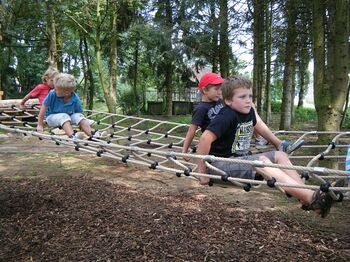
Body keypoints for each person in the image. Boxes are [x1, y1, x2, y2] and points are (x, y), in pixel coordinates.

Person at [196, 75, 340, 218]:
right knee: (262, 162)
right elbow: (204, 139)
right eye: (242, 97)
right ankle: (312, 198)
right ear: (228, 100)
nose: (248, 101)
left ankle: (307, 197)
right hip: (219, 165)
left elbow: (261, 128)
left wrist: (278, 144)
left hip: (240, 161)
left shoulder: (249, 111)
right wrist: (202, 172)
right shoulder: (226, 116)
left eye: (250, 96)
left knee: (280, 155)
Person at [36, 73, 103, 139]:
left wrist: (81, 123)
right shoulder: (52, 94)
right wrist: (40, 124)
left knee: (78, 116)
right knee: (64, 116)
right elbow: (43, 109)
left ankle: (92, 133)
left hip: (68, 118)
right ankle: (72, 136)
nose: (54, 90)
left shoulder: (75, 98)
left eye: (56, 89)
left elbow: (79, 113)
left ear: (66, 93)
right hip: (51, 118)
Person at [182, 72, 224, 158]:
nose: (220, 92)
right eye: (216, 89)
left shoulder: (221, 102)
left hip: (226, 143)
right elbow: (192, 130)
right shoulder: (201, 109)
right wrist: (184, 151)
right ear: (205, 90)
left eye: (221, 89)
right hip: (213, 148)